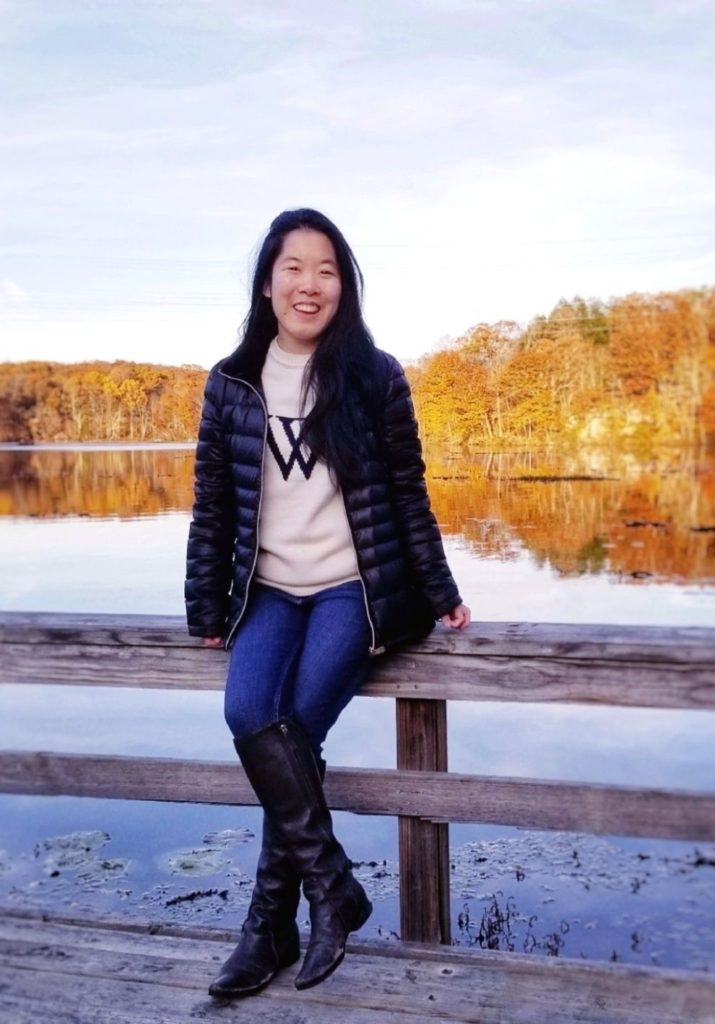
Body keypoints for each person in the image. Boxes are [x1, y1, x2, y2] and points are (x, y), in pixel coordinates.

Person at [184, 208, 470, 997]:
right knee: (251, 716)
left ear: (343, 286)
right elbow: (213, 505)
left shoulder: (374, 375)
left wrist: (440, 591)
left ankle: (264, 926)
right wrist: (206, 607)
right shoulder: (231, 382)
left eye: (327, 270)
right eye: (294, 268)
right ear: (268, 281)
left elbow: (408, 493)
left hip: (355, 588)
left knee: (297, 728)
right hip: (270, 588)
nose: (309, 285)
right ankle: (331, 890)